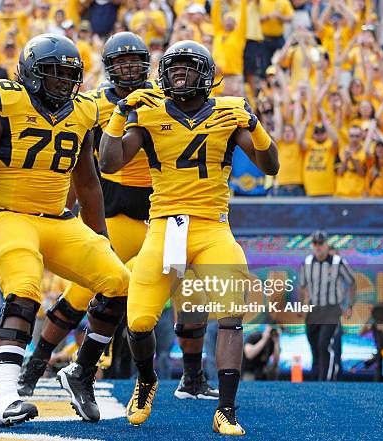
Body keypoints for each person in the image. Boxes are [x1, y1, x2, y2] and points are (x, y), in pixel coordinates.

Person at [18, 31, 219, 402]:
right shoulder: (92, 104)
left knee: (189, 293)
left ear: (148, 66)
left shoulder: (164, 97)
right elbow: (79, 162)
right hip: (114, 211)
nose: (128, 69)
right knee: (80, 293)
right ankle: (36, 366)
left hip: (162, 212)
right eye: (120, 63)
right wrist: (66, 207)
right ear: (109, 68)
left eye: (134, 62)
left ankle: (192, 378)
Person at [100, 40, 279, 434]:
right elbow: (109, 162)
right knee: (140, 320)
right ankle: (146, 381)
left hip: (212, 227)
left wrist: (254, 123)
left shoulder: (229, 113)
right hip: (164, 226)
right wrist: (120, 113)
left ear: (207, 74)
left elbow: (271, 165)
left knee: (232, 309)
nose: (179, 74)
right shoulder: (147, 112)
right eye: (173, 67)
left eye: (187, 67)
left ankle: (227, 409)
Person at [0, 34, 130, 426]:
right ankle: (5, 397)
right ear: (31, 73)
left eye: (68, 75)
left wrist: (100, 236)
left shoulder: (83, 111)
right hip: (6, 214)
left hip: (57, 219)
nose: (62, 83)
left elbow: (86, 182)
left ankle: (81, 373)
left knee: (119, 280)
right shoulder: (3, 99)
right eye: (52, 74)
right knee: (24, 287)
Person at [299, 230, 356, 381]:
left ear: (326, 245)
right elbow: (302, 285)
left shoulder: (338, 262)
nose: (318, 247)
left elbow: (351, 281)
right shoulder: (307, 262)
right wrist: (300, 305)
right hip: (313, 309)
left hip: (331, 309)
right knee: (314, 345)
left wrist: (349, 305)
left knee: (325, 343)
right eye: (315, 244)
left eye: (321, 243)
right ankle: (316, 377)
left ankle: (325, 381)